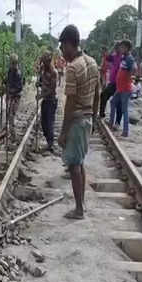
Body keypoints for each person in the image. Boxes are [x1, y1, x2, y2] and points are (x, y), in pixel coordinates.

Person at [58, 25, 100, 220]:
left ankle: (79, 210)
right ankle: (81, 205)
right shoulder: (92, 62)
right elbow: (98, 93)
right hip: (88, 119)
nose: (61, 51)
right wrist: (95, 116)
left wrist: (63, 132)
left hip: (76, 120)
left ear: (68, 44)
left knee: (74, 165)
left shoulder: (74, 68)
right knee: (80, 163)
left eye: (62, 46)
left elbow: (70, 103)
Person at [109, 39, 136, 137]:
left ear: (127, 48)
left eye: (123, 47)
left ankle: (125, 131)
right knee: (112, 102)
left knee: (124, 110)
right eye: (120, 47)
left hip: (125, 89)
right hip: (120, 88)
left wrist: (126, 81)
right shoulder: (124, 57)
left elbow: (132, 70)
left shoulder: (130, 59)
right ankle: (111, 123)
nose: (120, 48)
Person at [36, 50, 58, 152]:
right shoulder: (43, 69)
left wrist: (41, 95)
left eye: (45, 61)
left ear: (49, 61)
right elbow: (41, 81)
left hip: (51, 100)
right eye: (43, 61)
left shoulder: (54, 72)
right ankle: (48, 141)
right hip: (45, 100)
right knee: (43, 123)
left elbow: (52, 90)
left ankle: (50, 144)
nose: (44, 63)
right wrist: (38, 83)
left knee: (49, 122)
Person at [99, 42, 122, 126]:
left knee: (118, 103)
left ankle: (117, 122)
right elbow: (108, 57)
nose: (117, 48)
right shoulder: (114, 56)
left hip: (119, 83)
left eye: (118, 47)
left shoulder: (123, 58)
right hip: (112, 83)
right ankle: (101, 114)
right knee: (103, 95)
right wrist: (112, 48)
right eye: (116, 47)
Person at [6, 53, 23, 137]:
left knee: (12, 115)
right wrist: (7, 91)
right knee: (8, 114)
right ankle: (10, 132)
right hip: (10, 95)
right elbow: (8, 82)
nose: (13, 65)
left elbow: (19, 88)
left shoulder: (18, 73)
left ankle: (13, 135)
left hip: (16, 97)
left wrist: (11, 91)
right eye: (12, 63)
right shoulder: (10, 71)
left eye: (14, 63)